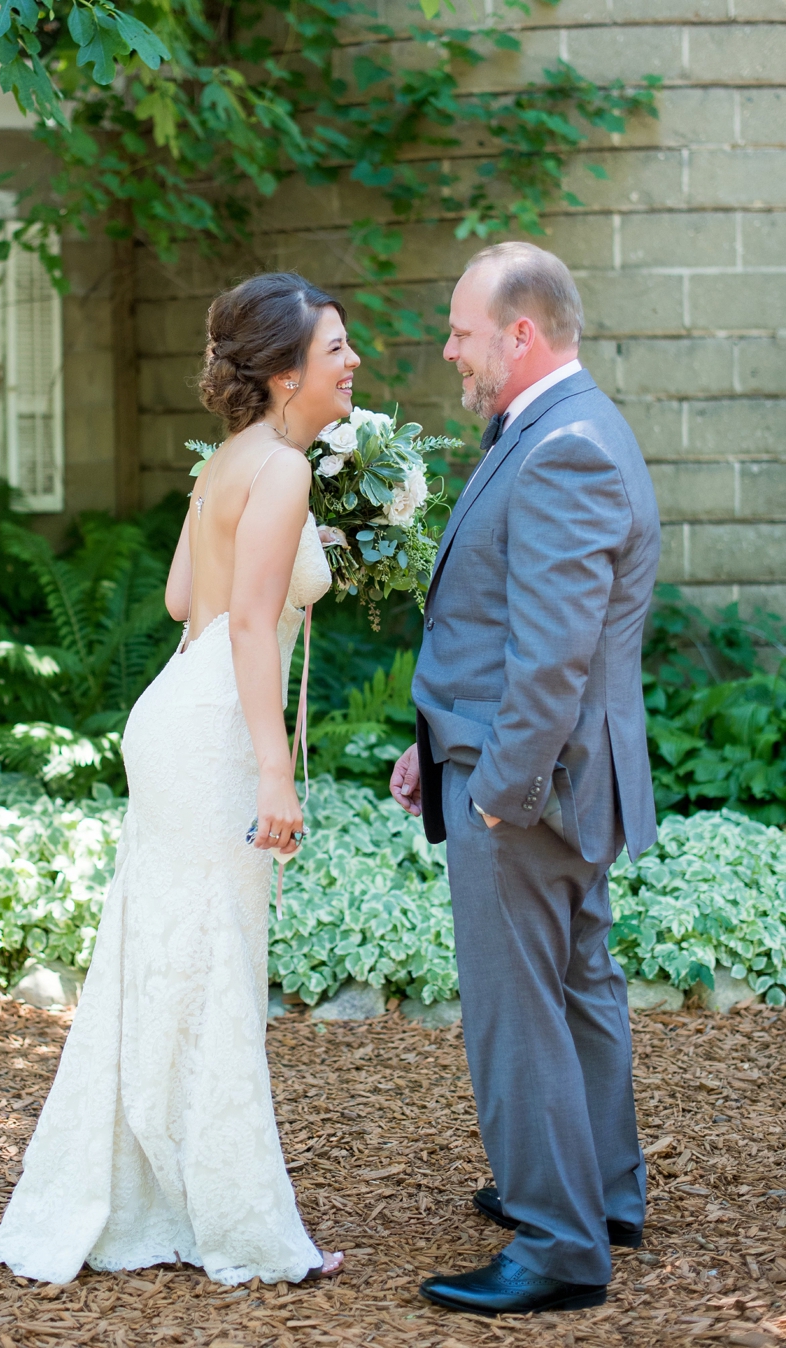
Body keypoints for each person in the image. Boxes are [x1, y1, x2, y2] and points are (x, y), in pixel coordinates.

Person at [0, 273, 359, 1288]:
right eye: (336, 348)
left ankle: (144, 1197)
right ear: (287, 373)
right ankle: (239, 1228)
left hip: (173, 712)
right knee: (218, 969)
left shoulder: (233, 464)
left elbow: (177, 597)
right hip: (216, 738)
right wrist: (276, 769)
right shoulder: (280, 471)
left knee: (165, 961)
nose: (352, 363)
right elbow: (247, 623)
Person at [390, 242, 660, 1317]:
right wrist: (434, 739)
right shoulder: (562, 428)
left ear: (520, 334)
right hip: (553, 769)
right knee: (579, 984)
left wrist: (499, 784)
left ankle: (557, 1243)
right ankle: (603, 1192)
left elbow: (552, 652)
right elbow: (507, 627)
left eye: (461, 330)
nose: (448, 348)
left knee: (519, 1009)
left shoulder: (567, 446)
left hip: (531, 785)